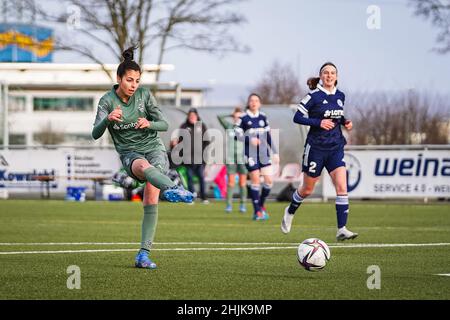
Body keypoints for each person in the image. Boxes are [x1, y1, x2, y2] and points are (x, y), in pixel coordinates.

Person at [92, 46, 194, 270]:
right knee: (143, 166)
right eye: (129, 80)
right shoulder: (107, 101)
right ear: (119, 78)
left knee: (150, 200)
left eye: (137, 81)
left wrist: (149, 123)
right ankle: (172, 187)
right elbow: (95, 133)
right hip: (131, 154)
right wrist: (108, 119)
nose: (133, 85)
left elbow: (164, 124)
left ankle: (143, 255)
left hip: (154, 147)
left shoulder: (144, 95)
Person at [280, 62, 358, 241]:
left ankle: (341, 229)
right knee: (307, 189)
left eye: (332, 73)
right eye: (326, 73)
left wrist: (346, 122)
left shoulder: (340, 96)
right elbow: (297, 117)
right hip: (316, 148)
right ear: (321, 76)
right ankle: (290, 210)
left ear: (337, 77)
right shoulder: (313, 96)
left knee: (342, 187)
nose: (329, 76)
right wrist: (318, 122)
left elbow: (337, 115)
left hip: (335, 147)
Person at [236, 93, 279, 221]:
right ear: (248, 103)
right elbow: (236, 135)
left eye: (256, 100)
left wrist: (275, 152)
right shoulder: (243, 118)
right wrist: (250, 139)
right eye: (252, 100)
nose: (254, 102)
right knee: (255, 180)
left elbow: (268, 136)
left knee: (269, 181)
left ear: (259, 103)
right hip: (250, 154)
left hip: (264, 153)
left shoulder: (263, 117)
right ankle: (257, 212)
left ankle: (260, 205)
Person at [171, 108, 210, 204]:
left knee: (201, 177)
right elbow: (179, 141)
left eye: (194, 116)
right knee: (189, 177)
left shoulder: (201, 126)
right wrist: (175, 144)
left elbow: (207, 141)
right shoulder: (184, 126)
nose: (192, 117)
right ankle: (191, 196)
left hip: (200, 158)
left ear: (197, 116)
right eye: (190, 116)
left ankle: (203, 197)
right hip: (187, 158)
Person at [217, 107, 247, 213]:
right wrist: (230, 114)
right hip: (231, 158)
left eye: (239, 116)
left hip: (242, 158)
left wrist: (243, 117)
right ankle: (229, 205)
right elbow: (219, 117)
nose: (237, 118)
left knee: (243, 183)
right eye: (235, 116)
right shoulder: (229, 126)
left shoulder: (245, 127)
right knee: (230, 183)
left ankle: (243, 205)